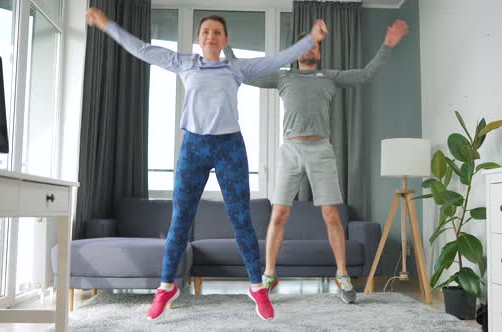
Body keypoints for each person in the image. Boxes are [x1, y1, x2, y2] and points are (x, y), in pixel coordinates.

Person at [85, 7, 328, 321]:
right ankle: (165, 286)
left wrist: (310, 38)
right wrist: (106, 24)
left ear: (225, 39)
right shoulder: (184, 63)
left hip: (230, 148)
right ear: (199, 39)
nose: (211, 36)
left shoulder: (236, 69)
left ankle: (256, 287)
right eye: (205, 32)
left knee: (241, 221)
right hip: (194, 148)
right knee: (180, 222)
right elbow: (142, 50)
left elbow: (277, 59)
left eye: (217, 32)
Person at [224, 19, 409, 304]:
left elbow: (365, 75)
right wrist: (227, 48)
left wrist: (387, 45)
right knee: (279, 215)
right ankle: (269, 275)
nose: (310, 49)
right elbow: (245, 75)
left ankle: (342, 274)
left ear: (319, 53)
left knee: (332, 216)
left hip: (321, 150)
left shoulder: (330, 76)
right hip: (290, 151)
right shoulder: (283, 77)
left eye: (315, 46)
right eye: (305, 45)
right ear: (298, 52)